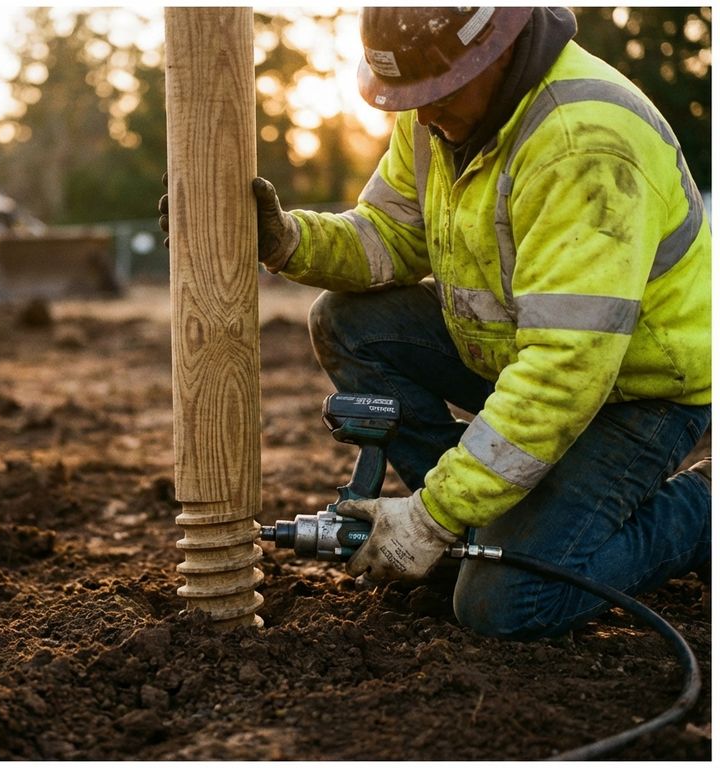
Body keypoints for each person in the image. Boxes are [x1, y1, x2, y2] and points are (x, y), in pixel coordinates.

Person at [160, 7, 711, 639]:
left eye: (436, 94)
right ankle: (474, 531)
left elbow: (564, 372)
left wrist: (430, 517)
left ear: (495, 53)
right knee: (348, 322)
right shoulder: (440, 110)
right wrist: (287, 240)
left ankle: (702, 511)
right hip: (523, 355)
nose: (420, 116)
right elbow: (389, 233)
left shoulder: (582, 143)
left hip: (636, 391)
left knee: (507, 605)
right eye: (409, 97)